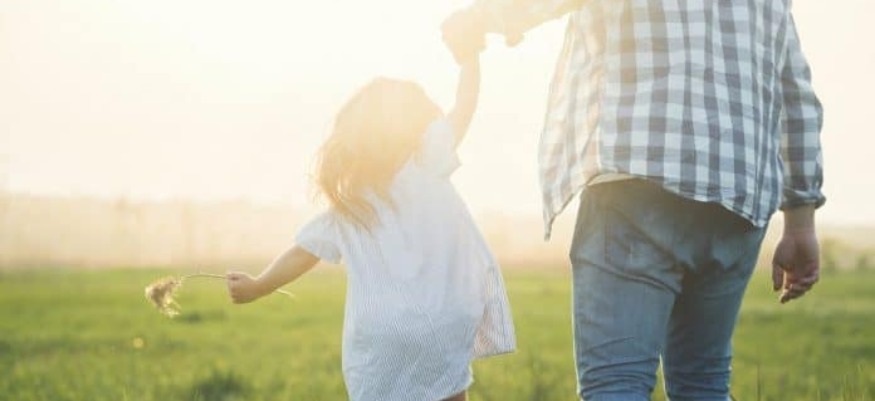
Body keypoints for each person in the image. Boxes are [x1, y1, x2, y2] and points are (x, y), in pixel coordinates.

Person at [442, 1, 824, 400]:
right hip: (738, 191)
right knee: (704, 383)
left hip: (637, 176)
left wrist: (481, 19)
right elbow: (796, 94)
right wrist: (800, 221)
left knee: (616, 383)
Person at [225, 54, 515, 401]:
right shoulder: (428, 162)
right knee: (448, 387)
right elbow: (464, 106)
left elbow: (302, 254)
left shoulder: (352, 204)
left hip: (381, 335)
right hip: (442, 321)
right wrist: (470, 55)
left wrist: (258, 286)